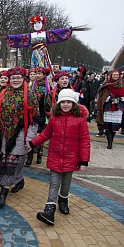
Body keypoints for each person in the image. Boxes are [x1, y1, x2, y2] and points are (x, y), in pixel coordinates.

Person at [27, 89, 90, 225]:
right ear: (59, 103)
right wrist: (32, 143)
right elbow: (46, 134)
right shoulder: (54, 119)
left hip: (71, 158)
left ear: (74, 104)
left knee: (66, 184)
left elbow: (85, 141)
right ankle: (49, 210)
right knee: (54, 183)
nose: (66, 105)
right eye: (63, 102)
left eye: (69, 102)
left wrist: (84, 160)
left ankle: (63, 200)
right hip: (55, 156)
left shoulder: (80, 120)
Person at [0, 66, 39, 207]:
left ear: (24, 79)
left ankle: (3, 192)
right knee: (6, 161)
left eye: (18, 77)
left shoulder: (29, 96)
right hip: (4, 135)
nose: (16, 80)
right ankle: (19, 180)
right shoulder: (3, 94)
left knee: (12, 162)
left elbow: (35, 120)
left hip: (21, 135)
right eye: (13, 78)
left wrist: (30, 138)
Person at [96, 69, 124, 149]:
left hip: (118, 108)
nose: (115, 76)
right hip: (108, 108)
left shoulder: (123, 84)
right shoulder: (106, 85)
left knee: (115, 126)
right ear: (111, 76)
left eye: (117, 75)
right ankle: (109, 142)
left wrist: (119, 99)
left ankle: (111, 139)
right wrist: (110, 99)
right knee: (107, 125)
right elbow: (102, 97)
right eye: (114, 75)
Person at [27, 66, 51, 166]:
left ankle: (39, 154)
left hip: (42, 114)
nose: (37, 75)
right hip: (33, 114)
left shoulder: (47, 87)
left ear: (44, 75)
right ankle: (30, 155)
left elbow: (48, 101)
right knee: (31, 135)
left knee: (40, 135)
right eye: (36, 73)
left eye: (39, 73)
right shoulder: (32, 85)